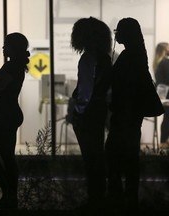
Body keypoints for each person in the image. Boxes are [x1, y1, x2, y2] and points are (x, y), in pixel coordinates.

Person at [105, 18, 164, 214]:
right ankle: (129, 199)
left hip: (124, 115)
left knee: (115, 158)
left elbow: (121, 85)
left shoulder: (128, 56)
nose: (116, 34)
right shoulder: (137, 54)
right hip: (131, 116)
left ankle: (119, 199)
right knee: (130, 159)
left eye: (119, 31)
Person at [0, 32, 30, 209]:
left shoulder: (11, 67)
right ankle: (10, 196)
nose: (3, 47)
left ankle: (9, 192)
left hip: (5, 116)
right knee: (7, 156)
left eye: (6, 44)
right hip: (9, 115)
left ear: (13, 47)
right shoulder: (16, 66)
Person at [70, 17, 112, 212]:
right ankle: (99, 198)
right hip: (100, 110)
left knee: (90, 158)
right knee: (97, 156)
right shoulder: (105, 57)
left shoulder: (88, 58)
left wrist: (76, 112)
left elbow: (85, 91)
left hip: (88, 114)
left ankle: (94, 201)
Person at [153, 42, 169, 149]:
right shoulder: (165, 62)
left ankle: (163, 142)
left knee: (166, 118)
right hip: (167, 96)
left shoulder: (157, 63)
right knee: (167, 119)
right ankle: (164, 142)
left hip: (163, 96)